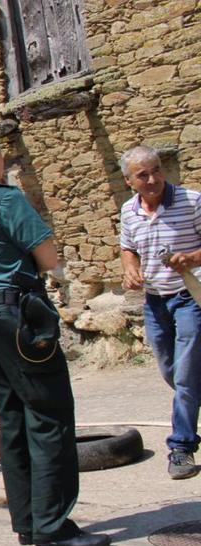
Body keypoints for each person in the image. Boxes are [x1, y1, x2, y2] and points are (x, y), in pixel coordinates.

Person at [0, 121, 107, 546]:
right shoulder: (6, 199)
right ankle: (54, 528)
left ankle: (29, 524)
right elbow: (49, 258)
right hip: (18, 315)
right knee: (49, 417)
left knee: (13, 420)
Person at [118, 144, 201, 480]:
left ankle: (181, 447)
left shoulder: (191, 201)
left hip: (190, 297)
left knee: (184, 375)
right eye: (143, 174)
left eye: (156, 170)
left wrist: (193, 258)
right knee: (172, 371)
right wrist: (130, 269)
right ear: (129, 181)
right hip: (154, 302)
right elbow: (127, 247)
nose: (152, 179)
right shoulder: (128, 211)